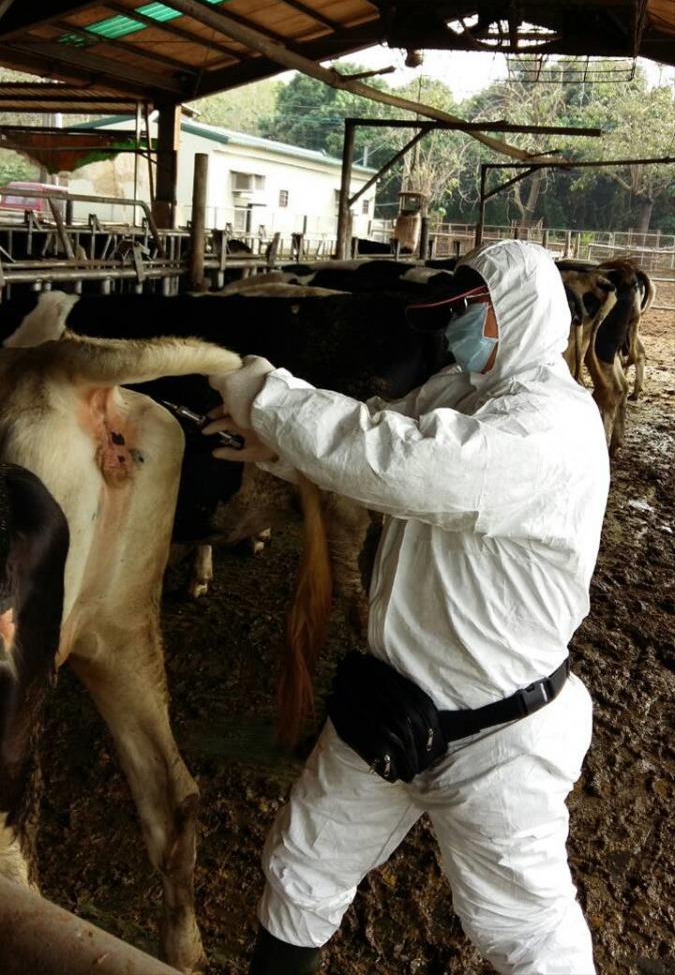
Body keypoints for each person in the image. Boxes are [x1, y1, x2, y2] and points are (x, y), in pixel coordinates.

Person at [204, 239, 610, 975]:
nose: (457, 332)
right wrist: (276, 447)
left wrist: (269, 396)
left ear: (517, 312)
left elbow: (416, 466)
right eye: (451, 317)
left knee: (519, 925)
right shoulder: (459, 393)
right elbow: (376, 446)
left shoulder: (553, 425)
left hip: (499, 733)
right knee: (302, 864)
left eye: (469, 315)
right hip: (392, 704)